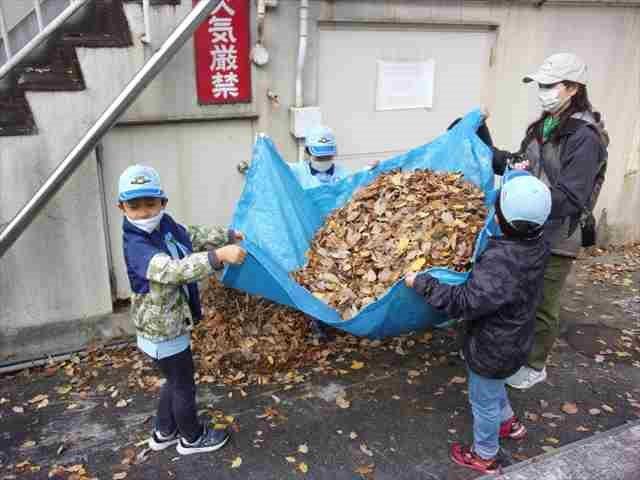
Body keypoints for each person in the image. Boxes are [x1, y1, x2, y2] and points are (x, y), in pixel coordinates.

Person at [405, 172, 553, 474]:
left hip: (492, 347)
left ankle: (485, 455)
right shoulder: (537, 244)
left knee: (482, 400)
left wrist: (423, 283)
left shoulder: (502, 262)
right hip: (516, 338)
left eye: (496, 209)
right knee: (494, 388)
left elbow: (465, 302)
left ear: (501, 219)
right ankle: (508, 424)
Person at [488, 53, 609, 389]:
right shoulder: (544, 126)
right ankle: (515, 351)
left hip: (558, 235)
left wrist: (520, 202)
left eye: (548, 85)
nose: (542, 91)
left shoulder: (585, 137)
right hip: (527, 229)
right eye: (539, 85)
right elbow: (521, 164)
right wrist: (485, 146)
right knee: (520, 295)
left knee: (542, 302)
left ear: (572, 88)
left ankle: (535, 363)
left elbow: (572, 197)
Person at [118, 165, 247, 456]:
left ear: (163, 203)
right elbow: (174, 270)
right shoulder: (137, 244)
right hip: (162, 331)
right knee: (183, 386)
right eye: (134, 206)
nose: (144, 212)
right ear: (121, 207)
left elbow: (190, 234)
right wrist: (218, 257)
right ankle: (192, 437)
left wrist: (226, 235)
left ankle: (164, 431)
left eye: (150, 204)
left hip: (170, 326)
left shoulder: (165, 225)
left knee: (173, 381)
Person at [288, 125, 351, 189]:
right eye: (319, 157)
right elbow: (279, 169)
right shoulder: (298, 172)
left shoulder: (345, 175)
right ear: (307, 152)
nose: (324, 160)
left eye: (328, 156)